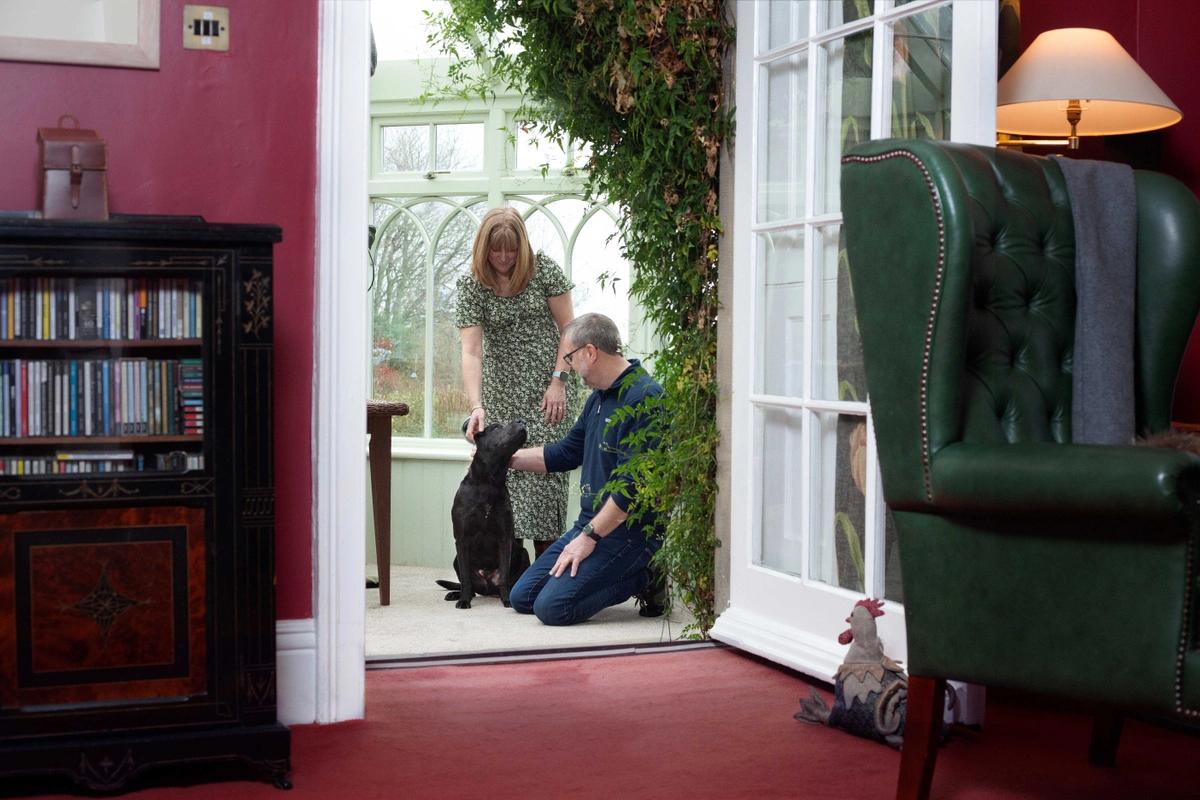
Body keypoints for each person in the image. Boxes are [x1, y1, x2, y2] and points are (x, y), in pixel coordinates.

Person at [507, 313, 667, 626]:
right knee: (523, 597)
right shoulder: (596, 399)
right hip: (589, 523)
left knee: (553, 609)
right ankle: (614, 569)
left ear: (590, 352)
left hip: (628, 533)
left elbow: (632, 488)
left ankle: (647, 574)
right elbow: (567, 452)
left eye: (570, 358)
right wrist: (505, 457)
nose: (568, 366)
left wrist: (588, 538)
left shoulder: (645, 398)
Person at [456, 207, 578, 557]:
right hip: (501, 395)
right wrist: (477, 406)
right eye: (497, 250)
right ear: (484, 249)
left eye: (511, 249)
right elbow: (472, 351)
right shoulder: (472, 285)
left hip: (548, 392)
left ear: (522, 246)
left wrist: (559, 380)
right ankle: (513, 576)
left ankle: (546, 570)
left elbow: (569, 329)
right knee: (505, 488)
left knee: (544, 482)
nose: (505, 257)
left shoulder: (543, 270)